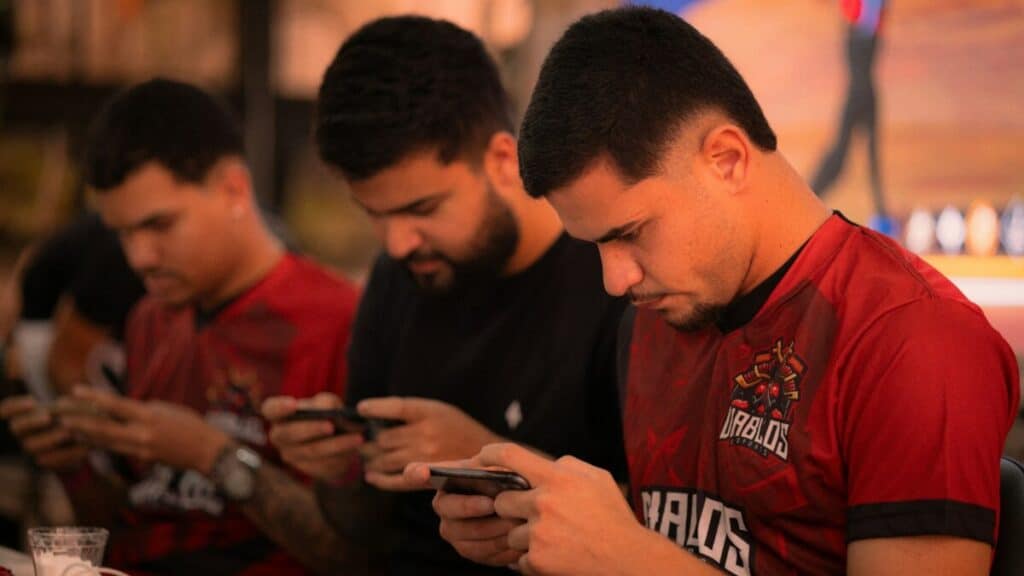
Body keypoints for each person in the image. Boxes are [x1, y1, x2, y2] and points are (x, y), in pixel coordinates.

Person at [414, 7, 1020, 575]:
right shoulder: (653, 320)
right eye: (595, 245)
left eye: (630, 234)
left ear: (726, 159)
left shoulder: (914, 340)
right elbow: (696, 529)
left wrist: (632, 562)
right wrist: (543, 521)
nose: (614, 279)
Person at [262, 16, 628, 575]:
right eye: (375, 215)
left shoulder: (616, 279)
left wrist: (489, 458)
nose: (397, 244)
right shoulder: (399, 275)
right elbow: (364, 536)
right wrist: (339, 467)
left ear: (504, 160)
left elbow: (657, 536)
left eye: (422, 210)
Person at [0, 79, 363, 575]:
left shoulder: (337, 321)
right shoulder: (150, 318)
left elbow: (352, 557)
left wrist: (213, 454)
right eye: (123, 233)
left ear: (233, 189)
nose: (138, 257)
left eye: (159, 225)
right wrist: (73, 464)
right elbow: (139, 524)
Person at [811, 0, 889, 225]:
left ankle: (881, 215)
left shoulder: (865, 15)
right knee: (844, 153)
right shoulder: (861, 16)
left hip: (863, 89)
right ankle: (810, 196)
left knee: (865, 156)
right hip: (860, 91)